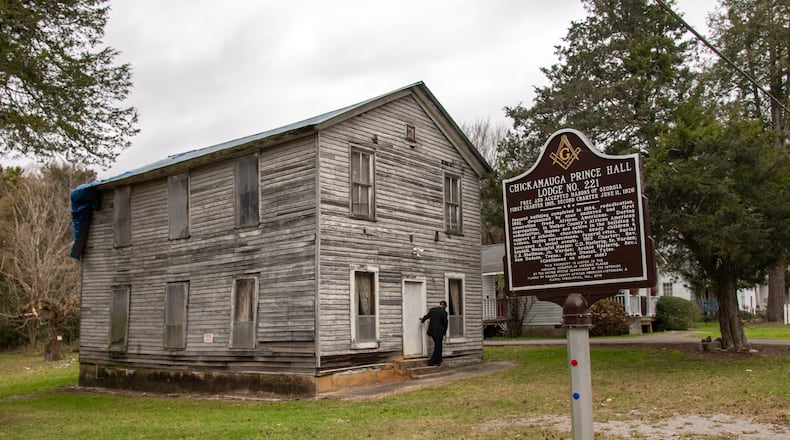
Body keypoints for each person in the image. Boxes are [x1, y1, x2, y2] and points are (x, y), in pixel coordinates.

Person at [421, 300, 448, 366]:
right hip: (439, 333)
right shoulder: (444, 312)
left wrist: (422, 320)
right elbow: (445, 323)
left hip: (432, 332)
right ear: (445, 306)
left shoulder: (433, 310)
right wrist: (444, 332)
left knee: (439, 346)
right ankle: (432, 362)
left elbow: (426, 316)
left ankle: (439, 360)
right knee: (438, 347)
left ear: (440, 304)